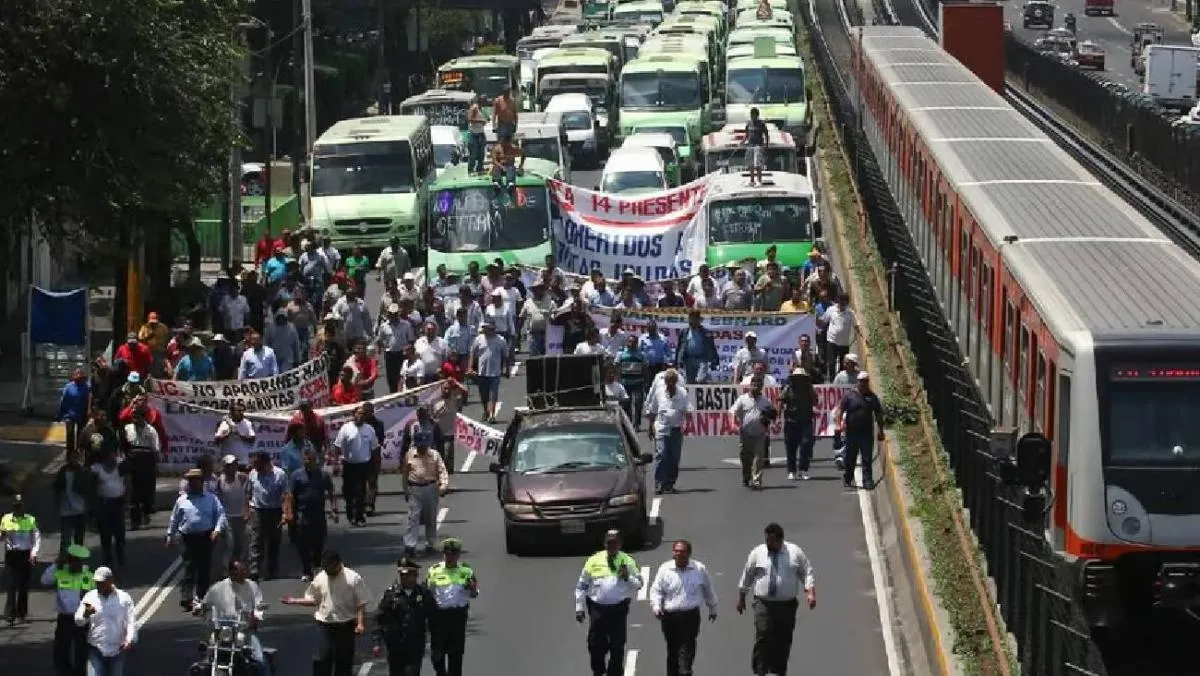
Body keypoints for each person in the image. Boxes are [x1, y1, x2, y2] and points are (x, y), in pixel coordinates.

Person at [735, 523, 817, 676]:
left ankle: (779, 670)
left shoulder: (794, 552)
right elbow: (747, 575)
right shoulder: (758, 553)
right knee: (763, 633)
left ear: (780, 540)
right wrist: (741, 598)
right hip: (763, 603)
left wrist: (810, 593)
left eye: (771, 541)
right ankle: (760, 670)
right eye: (766, 540)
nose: (768, 544)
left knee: (783, 638)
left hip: (787, 605)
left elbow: (807, 572)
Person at [281, 550, 370, 676]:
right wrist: (294, 601)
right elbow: (314, 600)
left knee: (343, 664)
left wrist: (360, 623)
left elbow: (361, 603)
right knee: (322, 660)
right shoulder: (321, 578)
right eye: (325, 568)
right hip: (325, 625)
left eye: (330, 568)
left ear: (338, 564)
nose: (328, 571)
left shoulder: (353, 578)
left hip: (345, 626)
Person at [575, 530, 642, 676]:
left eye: (615, 542)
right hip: (597, 608)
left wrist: (627, 577)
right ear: (604, 543)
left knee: (617, 645)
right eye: (609, 542)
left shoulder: (627, 560)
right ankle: (598, 671)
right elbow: (582, 586)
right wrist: (579, 608)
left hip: (618, 609)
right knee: (595, 644)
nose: (611, 546)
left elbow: (639, 584)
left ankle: (615, 673)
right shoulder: (593, 560)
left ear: (620, 544)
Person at [649, 539, 718, 676]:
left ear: (689, 554)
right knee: (673, 649)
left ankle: (685, 671)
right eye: (676, 551)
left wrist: (713, 608)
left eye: (682, 552)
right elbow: (656, 590)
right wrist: (656, 607)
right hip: (670, 617)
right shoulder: (665, 569)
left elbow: (708, 589)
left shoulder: (699, 569)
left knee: (687, 647)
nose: (679, 554)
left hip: (690, 616)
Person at [196, 560, 269, 676]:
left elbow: (259, 604)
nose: (244, 573)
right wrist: (199, 608)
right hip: (221, 632)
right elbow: (206, 603)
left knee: (260, 660)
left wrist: (256, 615)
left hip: (244, 630)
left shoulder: (252, 586)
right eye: (240, 571)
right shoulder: (218, 588)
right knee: (203, 661)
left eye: (245, 570)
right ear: (231, 573)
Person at [168, 468, 227, 611]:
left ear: (201, 482)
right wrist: (170, 535)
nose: (193, 483)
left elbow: (221, 515)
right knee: (189, 566)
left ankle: (201, 596)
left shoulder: (211, 498)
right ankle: (186, 598)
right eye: (191, 481)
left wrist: (217, 530)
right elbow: (174, 519)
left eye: (196, 481)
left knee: (204, 568)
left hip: (206, 537)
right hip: (187, 538)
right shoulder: (182, 500)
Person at [373, 557, 437, 676]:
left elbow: (434, 618)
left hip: (415, 645)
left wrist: (437, 643)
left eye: (408, 575)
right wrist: (377, 642)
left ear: (415, 575)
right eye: (402, 575)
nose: (404, 578)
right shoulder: (391, 594)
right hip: (395, 645)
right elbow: (379, 618)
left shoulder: (423, 594)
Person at [285, 448, 338, 582]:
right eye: (306, 460)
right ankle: (307, 569)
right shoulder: (296, 475)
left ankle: (317, 566)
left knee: (319, 542)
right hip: (302, 515)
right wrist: (289, 513)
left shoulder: (323, 475)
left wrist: (334, 509)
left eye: (311, 460)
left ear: (316, 460)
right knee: (302, 543)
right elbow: (290, 496)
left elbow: (331, 492)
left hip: (318, 515)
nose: (308, 462)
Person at [427, 538, 478, 676]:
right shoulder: (434, 570)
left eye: (453, 555)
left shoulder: (466, 571)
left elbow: (473, 594)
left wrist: (472, 588)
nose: (450, 558)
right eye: (447, 554)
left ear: (458, 555)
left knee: (455, 655)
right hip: (438, 618)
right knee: (436, 655)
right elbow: (428, 594)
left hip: (457, 617)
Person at [74, 566, 136, 676]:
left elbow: (131, 621)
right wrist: (86, 614)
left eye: (101, 582)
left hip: (117, 650)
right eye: (97, 582)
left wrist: (129, 640)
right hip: (96, 649)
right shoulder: (90, 597)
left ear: (110, 581)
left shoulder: (124, 598)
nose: (98, 585)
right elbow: (78, 621)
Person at [42, 543, 93, 676]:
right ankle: (64, 672)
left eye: (77, 561)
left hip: (81, 618)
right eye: (72, 561)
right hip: (64, 617)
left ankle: (80, 673)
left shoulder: (88, 575)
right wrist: (55, 564)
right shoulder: (60, 572)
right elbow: (44, 580)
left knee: (81, 649)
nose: (74, 564)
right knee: (61, 648)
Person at [401, 431, 451, 558]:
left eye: (424, 445)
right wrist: (405, 490)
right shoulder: (410, 455)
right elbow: (405, 473)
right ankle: (410, 545)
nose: (422, 448)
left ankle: (430, 543)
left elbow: (442, 471)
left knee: (430, 516)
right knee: (413, 517)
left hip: (430, 488)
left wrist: (444, 486)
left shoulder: (434, 455)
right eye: (420, 446)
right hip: (415, 488)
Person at [643, 369, 693, 494]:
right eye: (668, 382)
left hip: (676, 429)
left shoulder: (682, 393)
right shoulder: (659, 392)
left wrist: (687, 424)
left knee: (674, 458)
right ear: (665, 382)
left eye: (672, 382)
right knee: (661, 455)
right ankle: (659, 483)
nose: (670, 385)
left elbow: (688, 410)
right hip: (661, 428)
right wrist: (650, 427)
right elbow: (652, 410)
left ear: (676, 382)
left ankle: (670, 483)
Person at [835, 371, 886, 489]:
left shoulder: (872, 397)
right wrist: (838, 424)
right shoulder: (849, 395)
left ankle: (867, 480)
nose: (863, 384)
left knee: (866, 458)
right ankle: (848, 477)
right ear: (857, 382)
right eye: (861, 381)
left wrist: (881, 431)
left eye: (866, 381)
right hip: (852, 433)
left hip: (866, 434)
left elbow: (878, 414)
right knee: (850, 457)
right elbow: (840, 410)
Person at [332, 405, 380, 526]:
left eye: (363, 414)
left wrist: (376, 464)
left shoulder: (369, 429)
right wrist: (335, 463)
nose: (360, 416)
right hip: (349, 465)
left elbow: (374, 448)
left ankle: (359, 516)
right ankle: (350, 513)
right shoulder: (346, 428)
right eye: (358, 413)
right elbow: (337, 447)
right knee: (348, 492)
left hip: (363, 465)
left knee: (361, 491)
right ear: (354, 415)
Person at [247, 451, 289, 580]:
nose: (254, 466)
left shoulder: (280, 474)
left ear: (265, 463)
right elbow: (248, 493)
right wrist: (248, 510)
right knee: (256, 540)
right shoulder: (253, 474)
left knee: (274, 542)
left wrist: (285, 513)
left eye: (257, 463)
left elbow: (286, 495)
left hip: (275, 511)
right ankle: (254, 570)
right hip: (258, 511)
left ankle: (272, 570)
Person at [731, 374, 777, 490]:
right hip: (745, 433)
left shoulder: (765, 401)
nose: (755, 387)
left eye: (758, 385)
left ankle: (756, 480)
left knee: (759, 458)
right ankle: (746, 477)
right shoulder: (742, 399)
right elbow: (733, 411)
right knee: (745, 458)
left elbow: (773, 413)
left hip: (760, 433)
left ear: (761, 387)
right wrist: (733, 423)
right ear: (750, 386)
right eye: (754, 385)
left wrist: (771, 419)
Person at [2, 493, 41, 625]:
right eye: (16, 506)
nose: (18, 508)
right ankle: (10, 614)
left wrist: (34, 554)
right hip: (12, 554)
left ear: (23, 506)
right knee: (12, 584)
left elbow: (36, 538)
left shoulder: (30, 519)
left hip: (25, 554)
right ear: (13, 506)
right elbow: (1, 536)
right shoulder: (6, 519)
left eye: (19, 506)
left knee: (23, 585)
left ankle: (21, 613)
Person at [121, 404, 161, 529]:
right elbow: (123, 446)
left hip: (146, 461)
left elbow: (155, 449)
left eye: (138, 417)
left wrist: (155, 465)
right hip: (132, 461)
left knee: (146, 490)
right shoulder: (127, 429)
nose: (135, 420)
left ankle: (146, 511)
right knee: (133, 491)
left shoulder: (151, 430)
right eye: (133, 417)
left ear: (143, 418)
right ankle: (135, 520)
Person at [89, 447, 128, 568]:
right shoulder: (97, 468)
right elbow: (92, 488)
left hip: (118, 504)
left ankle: (120, 554)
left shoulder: (121, 466)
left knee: (119, 532)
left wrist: (127, 501)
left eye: (114, 454)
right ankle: (107, 557)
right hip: (104, 505)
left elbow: (128, 482)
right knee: (105, 533)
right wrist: (94, 506)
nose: (113, 457)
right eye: (110, 454)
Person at [467, 320, 508, 424]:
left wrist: (506, 369)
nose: (485, 330)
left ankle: (492, 415)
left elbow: (505, 356)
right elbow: (473, 352)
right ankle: (486, 411)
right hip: (482, 372)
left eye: (487, 328)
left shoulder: (501, 340)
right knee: (484, 395)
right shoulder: (479, 339)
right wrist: (470, 367)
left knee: (493, 395)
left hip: (495, 373)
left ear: (493, 329)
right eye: (484, 328)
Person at [780, 368, 817, 482]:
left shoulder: (809, 389)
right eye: (797, 378)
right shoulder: (788, 388)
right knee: (791, 447)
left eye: (801, 378)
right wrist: (780, 409)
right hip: (791, 421)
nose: (799, 380)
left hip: (805, 421)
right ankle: (791, 471)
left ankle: (803, 469)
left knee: (806, 444)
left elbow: (816, 401)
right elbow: (781, 400)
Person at [53, 447, 90, 559]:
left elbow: (88, 490)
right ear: (67, 459)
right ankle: (63, 563)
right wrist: (57, 505)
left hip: (80, 511)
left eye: (76, 458)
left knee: (79, 540)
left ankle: (76, 562)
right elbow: (57, 489)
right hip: (66, 511)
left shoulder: (83, 472)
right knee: (65, 540)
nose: (74, 460)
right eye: (71, 458)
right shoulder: (62, 473)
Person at [216, 455, 250, 566]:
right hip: (227, 517)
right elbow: (217, 499)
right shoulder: (219, 480)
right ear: (225, 466)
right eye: (230, 465)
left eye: (235, 464)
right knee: (229, 544)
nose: (233, 467)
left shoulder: (242, 477)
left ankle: (240, 568)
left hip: (240, 516)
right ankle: (227, 570)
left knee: (240, 544)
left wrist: (247, 511)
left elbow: (248, 495)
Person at [742, 107, 769, 186]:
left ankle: (759, 181)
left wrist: (766, 145)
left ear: (757, 115)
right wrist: (742, 141)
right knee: (750, 164)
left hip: (758, 146)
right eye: (751, 114)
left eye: (754, 115)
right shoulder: (748, 123)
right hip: (750, 145)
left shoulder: (761, 124)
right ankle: (752, 180)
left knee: (758, 164)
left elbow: (766, 134)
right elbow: (746, 134)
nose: (752, 116)